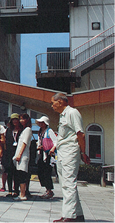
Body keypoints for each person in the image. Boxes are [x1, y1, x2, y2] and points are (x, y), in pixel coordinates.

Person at [51, 93, 89, 223]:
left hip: (70, 152)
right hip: (62, 153)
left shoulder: (73, 113)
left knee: (68, 184)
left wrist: (83, 153)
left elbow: (80, 134)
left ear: (60, 102)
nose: (52, 106)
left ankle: (69, 216)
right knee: (65, 184)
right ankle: (77, 214)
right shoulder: (63, 116)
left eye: (53, 103)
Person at [36, 115, 57, 199]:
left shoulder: (49, 131)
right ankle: (47, 189)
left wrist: (52, 149)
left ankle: (49, 190)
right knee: (41, 172)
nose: (41, 124)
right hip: (42, 154)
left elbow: (56, 141)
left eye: (42, 122)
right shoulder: (40, 131)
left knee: (47, 173)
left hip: (48, 154)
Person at [13, 113, 32, 201]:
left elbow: (25, 143)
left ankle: (23, 194)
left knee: (22, 175)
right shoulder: (24, 130)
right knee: (20, 174)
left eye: (23, 119)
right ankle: (21, 193)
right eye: (20, 119)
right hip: (20, 156)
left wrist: (20, 154)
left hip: (23, 156)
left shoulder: (28, 129)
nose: (21, 120)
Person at [3, 113, 22, 198]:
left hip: (18, 153)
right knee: (9, 173)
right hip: (9, 153)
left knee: (17, 173)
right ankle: (10, 190)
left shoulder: (21, 130)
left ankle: (16, 190)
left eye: (16, 120)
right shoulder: (8, 130)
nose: (15, 121)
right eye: (13, 120)